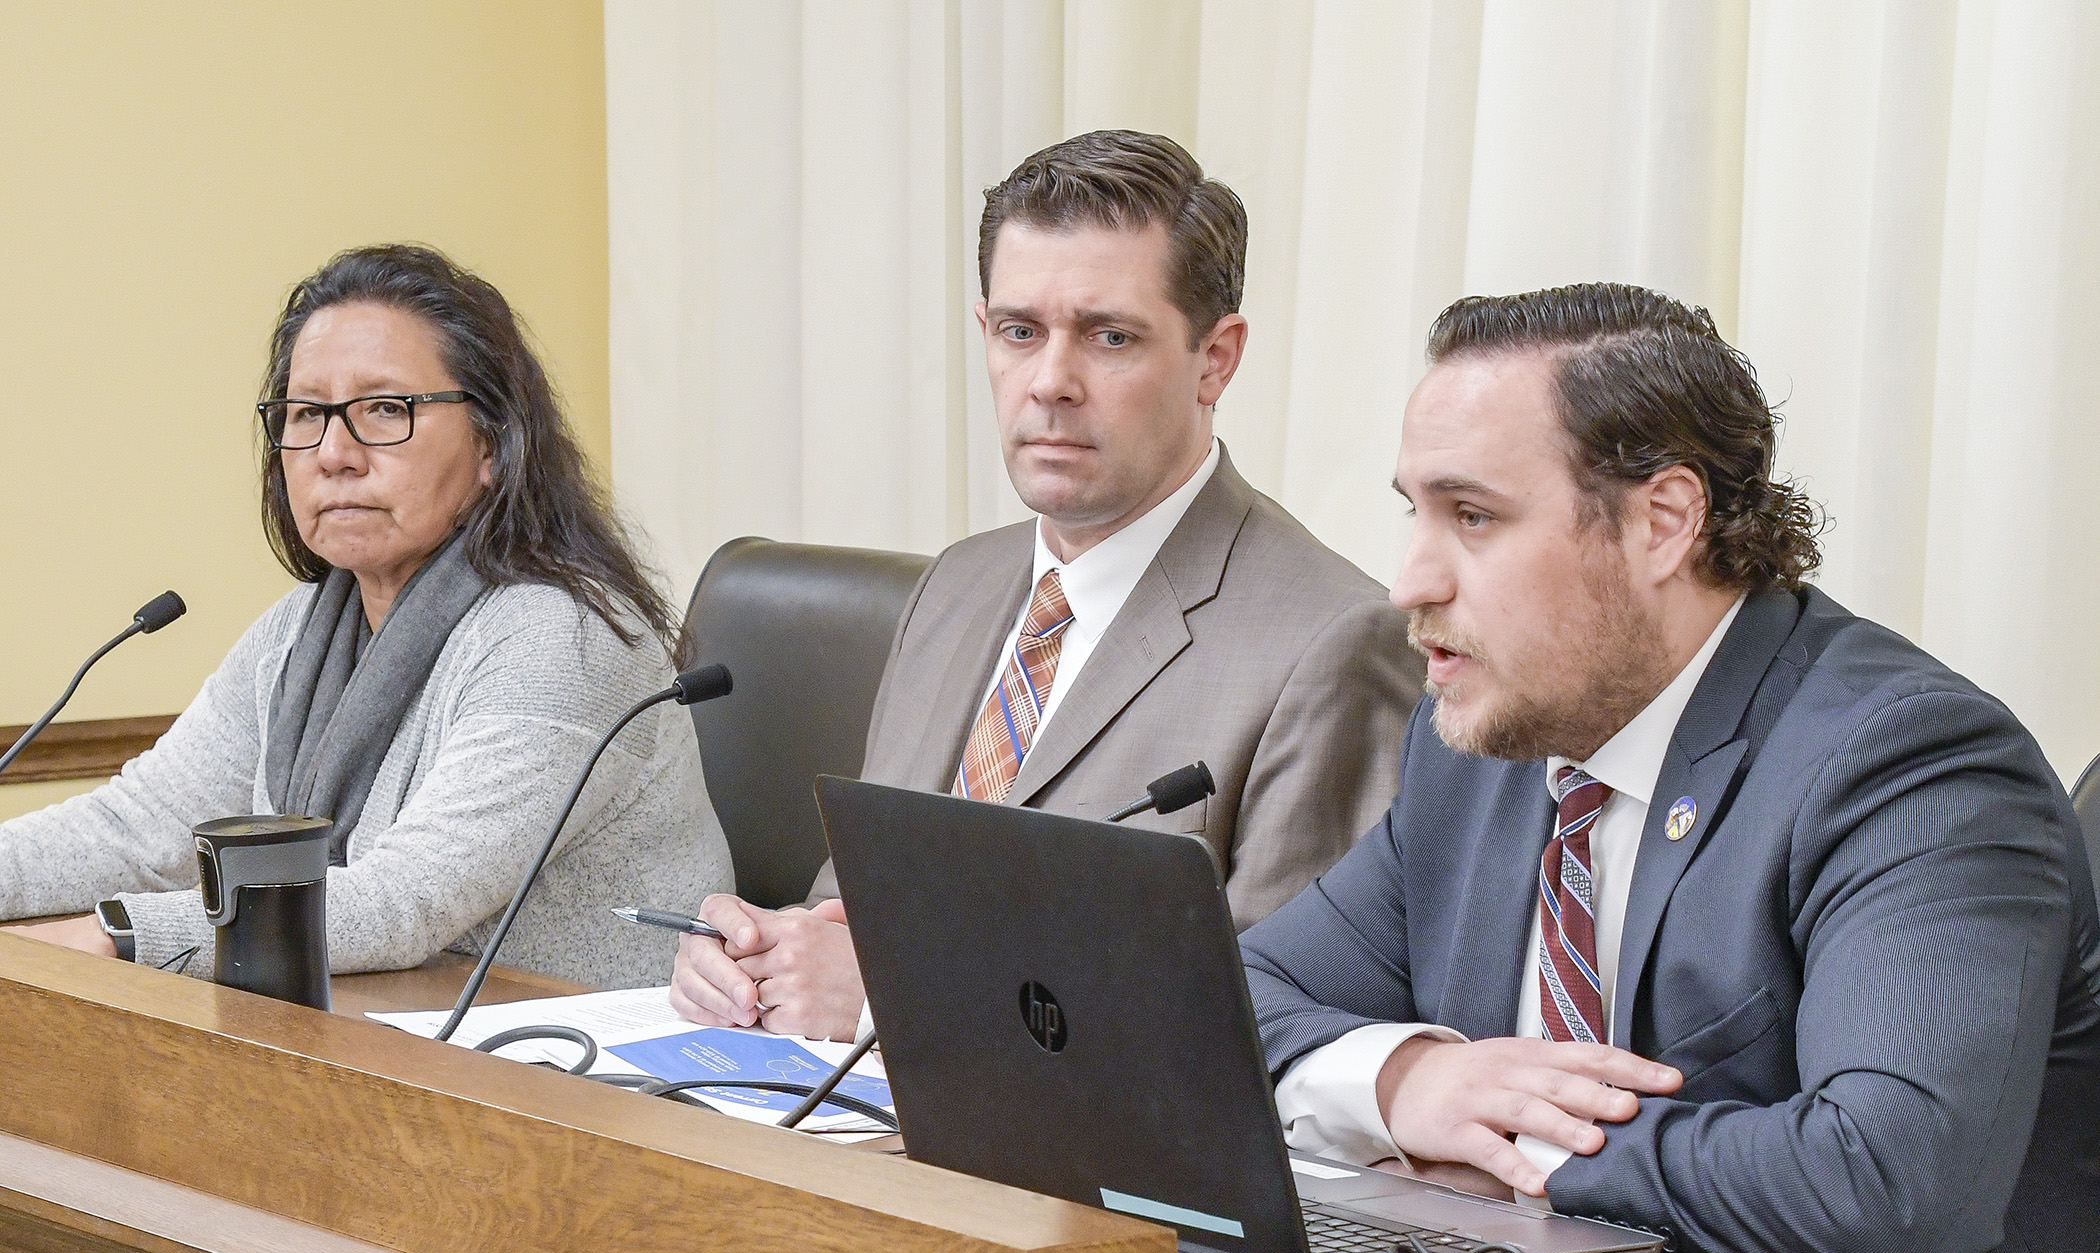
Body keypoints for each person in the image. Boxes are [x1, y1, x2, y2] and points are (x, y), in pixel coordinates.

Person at [1243, 282, 2100, 1253]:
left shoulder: (1910, 764)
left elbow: (1889, 1186)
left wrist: (1525, 1142)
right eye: (1415, 513)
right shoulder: (1479, 749)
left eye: (1473, 517)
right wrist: (1410, 1081)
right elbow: (1238, 993)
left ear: (1662, 521)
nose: (1409, 581)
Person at [669, 129, 1423, 1042]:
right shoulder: (960, 583)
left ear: (1216, 359)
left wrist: (890, 1003)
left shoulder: (1333, 640)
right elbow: (858, 904)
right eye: (1021, 333)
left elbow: (1272, 1026)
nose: (1052, 383)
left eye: (1110, 337)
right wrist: (761, 955)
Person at [0, 244, 730, 987]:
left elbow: (405, 900)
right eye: (307, 414)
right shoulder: (299, 631)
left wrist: (116, 933)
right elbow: (141, 830)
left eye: (386, 409)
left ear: (493, 445)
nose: (334, 452)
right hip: (375, 1039)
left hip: (578, 1078)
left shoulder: (565, 638)